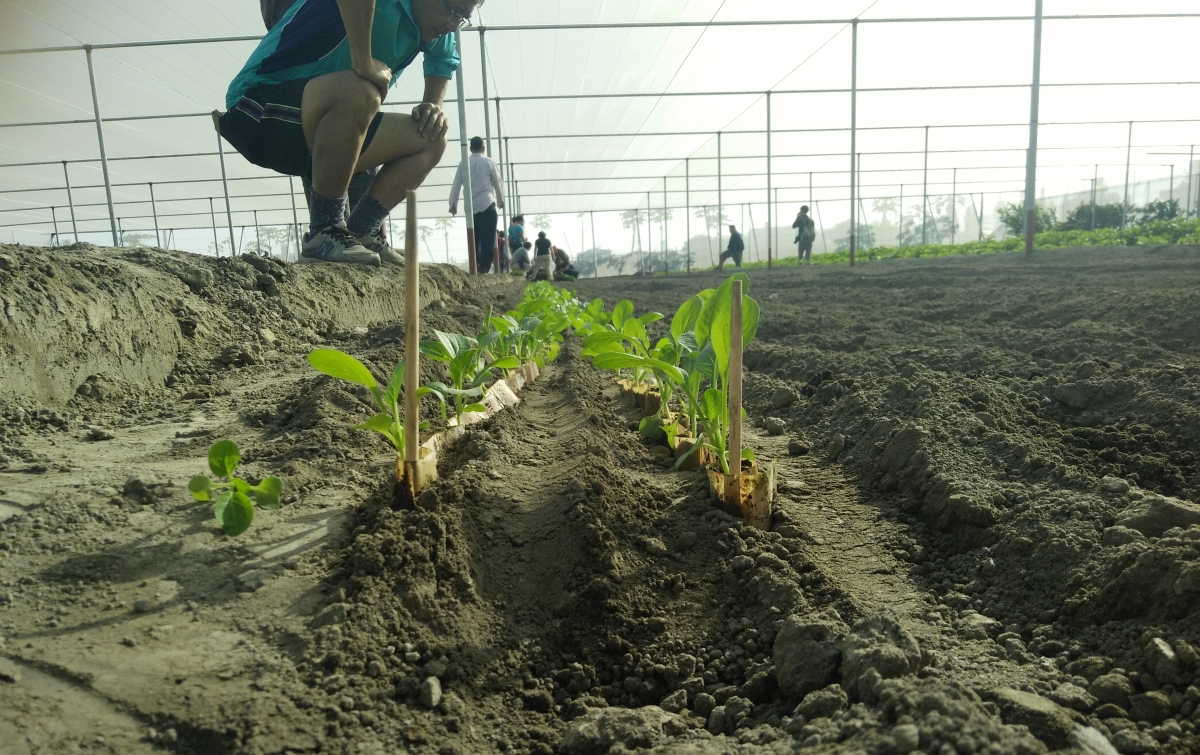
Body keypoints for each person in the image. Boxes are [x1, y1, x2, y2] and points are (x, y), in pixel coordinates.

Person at [219, 0, 477, 267]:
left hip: (327, 124)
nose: (452, 24)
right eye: (452, 10)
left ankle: (361, 231)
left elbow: (444, 58)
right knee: (361, 90)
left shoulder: (436, 27)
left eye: (462, 18)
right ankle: (324, 230)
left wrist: (432, 106)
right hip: (258, 110)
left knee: (432, 138)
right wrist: (363, 61)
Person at [449, 136, 505, 273]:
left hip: (471, 206)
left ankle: (476, 263)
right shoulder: (489, 162)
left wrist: (453, 203)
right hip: (487, 203)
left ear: (470, 148)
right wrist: (500, 200)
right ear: (483, 148)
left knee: (475, 238)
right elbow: (497, 182)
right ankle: (484, 267)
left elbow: (456, 184)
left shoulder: (463, 163)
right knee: (488, 237)